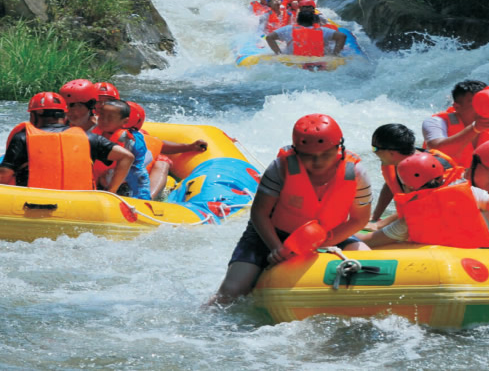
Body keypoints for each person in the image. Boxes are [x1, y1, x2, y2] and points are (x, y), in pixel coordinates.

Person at [208, 113, 372, 305]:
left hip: (331, 236)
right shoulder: (280, 167)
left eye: (325, 154)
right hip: (272, 236)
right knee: (231, 292)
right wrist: (276, 248)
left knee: (371, 271)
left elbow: (358, 220)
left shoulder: (356, 172)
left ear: (339, 148)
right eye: (309, 157)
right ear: (297, 152)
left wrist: (321, 244)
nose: (318, 162)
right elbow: (259, 213)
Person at [357, 151, 489, 249]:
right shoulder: (470, 193)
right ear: (440, 173)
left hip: (458, 267)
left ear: (409, 185)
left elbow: (367, 242)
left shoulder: (408, 221)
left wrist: (333, 238)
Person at [0, 92, 133, 192]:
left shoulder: (23, 138)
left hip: (31, 204)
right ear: (64, 115)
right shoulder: (89, 138)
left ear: (35, 114)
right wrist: (111, 191)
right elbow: (127, 156)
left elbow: (4, 176)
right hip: (79, 205)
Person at [368, 123, 456, 229]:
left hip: (442, 224)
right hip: (411, 220)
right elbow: (390, 185)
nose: (374, 152)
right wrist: (375, 217)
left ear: (391, 153)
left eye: (375, 149)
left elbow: (424, 206)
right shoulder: (394, 162)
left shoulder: (428, 168)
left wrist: (379, 225)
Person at [127, 101, 208, 200]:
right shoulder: (104, 132)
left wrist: (189, 147)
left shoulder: (141, 135)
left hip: (134, 174)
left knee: (162, 160)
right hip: (114, 174)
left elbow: (159, 145)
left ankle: (147, 198)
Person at [92, 99, 151, 200]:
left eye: (110, 118)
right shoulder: (93, 131)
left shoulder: (130, 140)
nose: (104, 120)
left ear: (125, 122)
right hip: (103, 174)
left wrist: (142, 196)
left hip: (126, 177)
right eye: (101, 116)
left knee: (135, 174)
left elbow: (138, 171)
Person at [265, 9, 346, 57]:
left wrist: (279, 54)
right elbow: (342, 36)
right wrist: (335, 55)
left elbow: (269, 37)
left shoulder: (288, 29)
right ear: (313, 21)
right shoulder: (323, 30)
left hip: (293, 61)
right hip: (318, 61)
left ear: (298, 20)